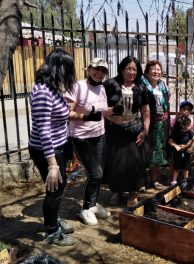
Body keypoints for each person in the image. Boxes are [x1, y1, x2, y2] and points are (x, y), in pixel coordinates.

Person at [28, 48, 76, 246]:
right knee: (54, 189)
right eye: (68, 70)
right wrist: (53, 165)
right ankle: (51, 232)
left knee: (59, 187)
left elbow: (63, 115)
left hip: (58, 146)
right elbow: (44, 131)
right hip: (45, 150)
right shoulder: (42, 92)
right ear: (59, 68)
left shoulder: (53, 88)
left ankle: (53, 221)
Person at [64, 58, 115, 225]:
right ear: (89, 69)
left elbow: (103, 113)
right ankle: (85, 208)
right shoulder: (77, 86)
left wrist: (116, 110)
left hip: (99, 135)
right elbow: (66, 113)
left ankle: (93, 204)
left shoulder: (101, 88)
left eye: (103, 71)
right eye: (96, 69)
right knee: (95, 173)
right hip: (81, 137)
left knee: (99, 173)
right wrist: (85, 117)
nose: (99, 73)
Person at [103, 56, 150, 207]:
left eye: (134, 69)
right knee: (116, 163)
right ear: (122, 69)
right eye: (128, 68)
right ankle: (118, 191)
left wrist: (145, 130)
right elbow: (100, 107)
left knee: (133, 164)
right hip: (114, 132)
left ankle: (132, 193)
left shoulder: (141, 87)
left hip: (134, 132)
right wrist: (110, 119)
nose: (131, 72)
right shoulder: (110, 85)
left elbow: (146, 111)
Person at [142, 60, 170, 190]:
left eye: (158, 69)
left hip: (160, 125)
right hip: (146, 124)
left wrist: (165, 114)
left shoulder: (163, 85)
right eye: (153, 69)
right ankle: (141, 181)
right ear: (147, 72)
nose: (156, 72)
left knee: (157, 153)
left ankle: (154, 180)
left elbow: (167, 100)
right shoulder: (142, 86)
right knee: (143, 152)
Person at [169, 114, 194, 188]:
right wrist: (176, 146)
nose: (190, 127)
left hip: (186, 152)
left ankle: (185, 180)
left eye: (189, 125)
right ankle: (174, 181)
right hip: (178, 151)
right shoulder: (176, 131)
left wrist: (190, 147)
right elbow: (170, 141)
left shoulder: (189, 132)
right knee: (176, 166)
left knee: (186, 167)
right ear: (183, 125)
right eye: (188, 125)